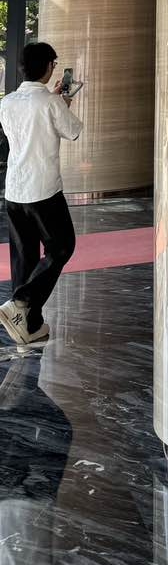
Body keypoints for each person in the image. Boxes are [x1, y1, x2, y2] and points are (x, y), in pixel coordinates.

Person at [0, 42, 82, 347]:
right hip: (43, 190)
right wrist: (62, 102)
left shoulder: (8, 102)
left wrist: (55, 99)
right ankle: (19, 301)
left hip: (15, 189)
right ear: (49, 66)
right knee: (61, 247)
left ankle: (30, 325)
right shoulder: (51, 103)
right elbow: (73, 131)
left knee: (24, 258)